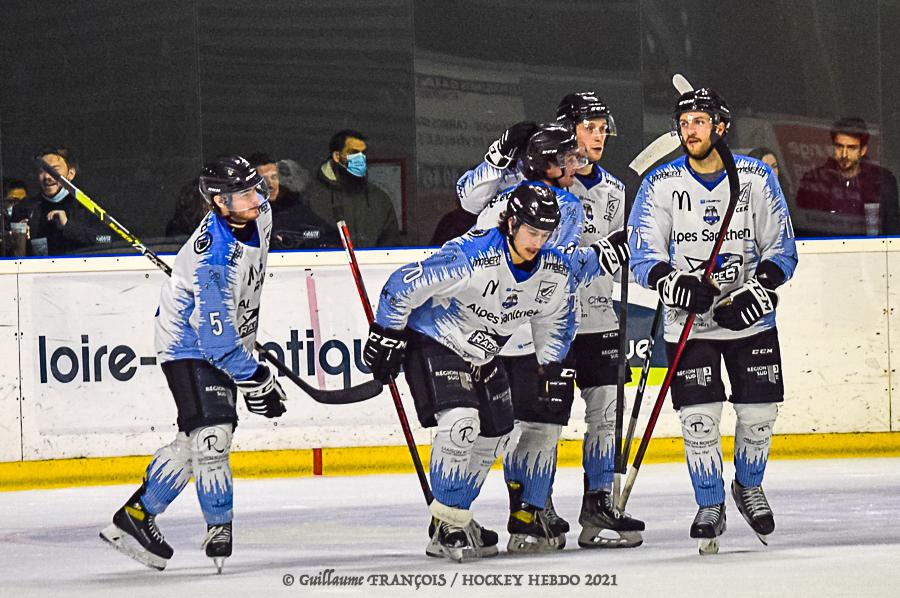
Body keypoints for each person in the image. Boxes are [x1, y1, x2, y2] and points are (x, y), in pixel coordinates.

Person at [458, 101, 643, 552]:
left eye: (602, 128)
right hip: (536, 324)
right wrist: (498, 154)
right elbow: (470, 200)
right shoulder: (524, 186)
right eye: (588, 128)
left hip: (583, 317)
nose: (596, 138)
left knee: (590, 415)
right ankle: (527, 509)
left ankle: (590, 503)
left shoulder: (611, 189)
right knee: (531, 423)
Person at [362, 183, 579, 562]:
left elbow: (556, 319)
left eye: (545, 234)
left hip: (482, 354)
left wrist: (550, 366)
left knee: (497, 436)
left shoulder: (553, 271)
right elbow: (402, 284)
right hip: (435, 339)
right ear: (511, 223)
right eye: (531, 231)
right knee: (461, 422)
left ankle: (456, 516)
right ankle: (447, 525)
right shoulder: (472, 255)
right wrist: (386, 333)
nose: (537, 242)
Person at [628, 88, 798, 554]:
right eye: (684, 123)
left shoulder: (756, 177)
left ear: (721, 127)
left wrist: (760, 288)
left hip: (750, 321)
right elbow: (642, 254)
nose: (690, 130)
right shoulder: (661, 183)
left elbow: (782, 249)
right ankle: (709, 502)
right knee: (699, 420)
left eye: (700, 121)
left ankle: (749, 486)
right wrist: (671, 283)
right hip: (689, 323)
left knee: (759, 414)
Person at [100, 155, 287, 573]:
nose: (256, 199)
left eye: (256, 188)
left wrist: (245, 348)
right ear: (218, 202)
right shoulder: (213, 260)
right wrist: (258, 378)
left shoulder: (260, 214)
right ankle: (219, 526)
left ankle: (136, 516)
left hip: (223, 340)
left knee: (194, 438)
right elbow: (217, 344)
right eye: (243, 194)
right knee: (213, 435)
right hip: (187, 344)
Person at [795, 117, 899, 237]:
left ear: (863, 150)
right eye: (839, 146)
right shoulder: (814, 179)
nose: (844, 154)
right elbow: (803, 228)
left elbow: (892, 229)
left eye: (851, 148)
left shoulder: (882, 180)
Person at [304, 129, 401, 248]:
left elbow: (391, 247)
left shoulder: (379, 199)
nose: (360, 158)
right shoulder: (313, 197)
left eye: (363, 153)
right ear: (337, 156)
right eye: (353, 152)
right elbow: (305, 240)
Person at [12, 146, 109, 256]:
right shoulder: (24, 209)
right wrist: (18, 240)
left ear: (70, 174)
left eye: (54, 171)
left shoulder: (90, 206)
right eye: (42, 171)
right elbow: (13, 255)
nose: (47, 176)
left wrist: (68, 227)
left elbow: (107, 239)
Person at [247, 152, 337, 249]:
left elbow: (324, 234)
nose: (270, 184)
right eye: (263, 179)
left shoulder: (298, 212)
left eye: (274, 177)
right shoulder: (244, 215)